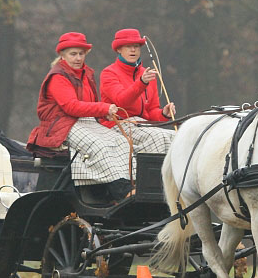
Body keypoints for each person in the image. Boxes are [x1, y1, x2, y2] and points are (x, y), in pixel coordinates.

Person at [26, 32, 133, 201]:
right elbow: (71, 107)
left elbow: (89, 107)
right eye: (73, 54)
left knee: (122, 142)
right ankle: (120, 192)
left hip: (84, 121)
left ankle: (132, 185)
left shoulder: (86, 74)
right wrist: (104, 108)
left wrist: (106, 114)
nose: (78, 58)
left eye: (81, 54)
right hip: (61, 125)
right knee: (99, 145)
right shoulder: (57, 77)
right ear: (62, 55)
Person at [99, 28, 175, 154]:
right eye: (128, 46)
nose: (133, 50)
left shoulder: (148, 75)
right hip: (117, 124)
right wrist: (141, 82)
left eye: (136, 46)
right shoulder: (109, 73)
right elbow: (121, 101)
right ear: (119, 49)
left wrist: (164, 114)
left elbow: (151, 112)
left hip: (142, 125)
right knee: (158, 138)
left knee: (176, 137)